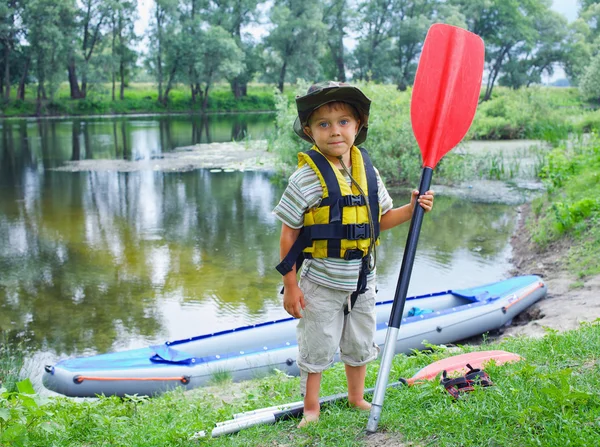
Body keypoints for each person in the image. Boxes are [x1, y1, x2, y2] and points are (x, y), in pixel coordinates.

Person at [273, 81, 434, 427]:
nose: (335, 131)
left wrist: (412, 208)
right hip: (320, 282)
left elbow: (380, 220)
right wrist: (290, 284)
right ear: (309, 130)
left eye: (344, 122)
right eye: (324, 124)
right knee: (316, 345)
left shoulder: (368, 173)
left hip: (363, 278)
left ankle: (356, 397)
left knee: (360, 341)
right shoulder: (305, 178)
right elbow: (288, 235)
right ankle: (312, 408)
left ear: (358, 126)